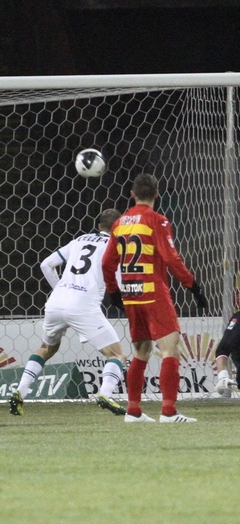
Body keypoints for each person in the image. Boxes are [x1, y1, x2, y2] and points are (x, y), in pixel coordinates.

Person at [102, 173, 209, 423]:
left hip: (131, 293)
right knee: (171, 348)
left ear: (132, 194)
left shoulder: (119, 223)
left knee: (142, 350)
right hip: (152, 291)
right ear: (157, 194)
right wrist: (192, 286)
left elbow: (107, 263)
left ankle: (133, 411)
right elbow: (171, 258)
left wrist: (114, 292)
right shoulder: (157, 220)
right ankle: (169, 412)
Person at [9, 209, 128, 417]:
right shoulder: (115, 246)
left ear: (99, 225)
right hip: (84, 306)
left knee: (46, 348)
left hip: (56, 302)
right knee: (117, 354)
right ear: (118, 227)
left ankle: (20, 391)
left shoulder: (79, 240)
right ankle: (105, 394)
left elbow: (46, 264)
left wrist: (61, 290)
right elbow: (118, 282)